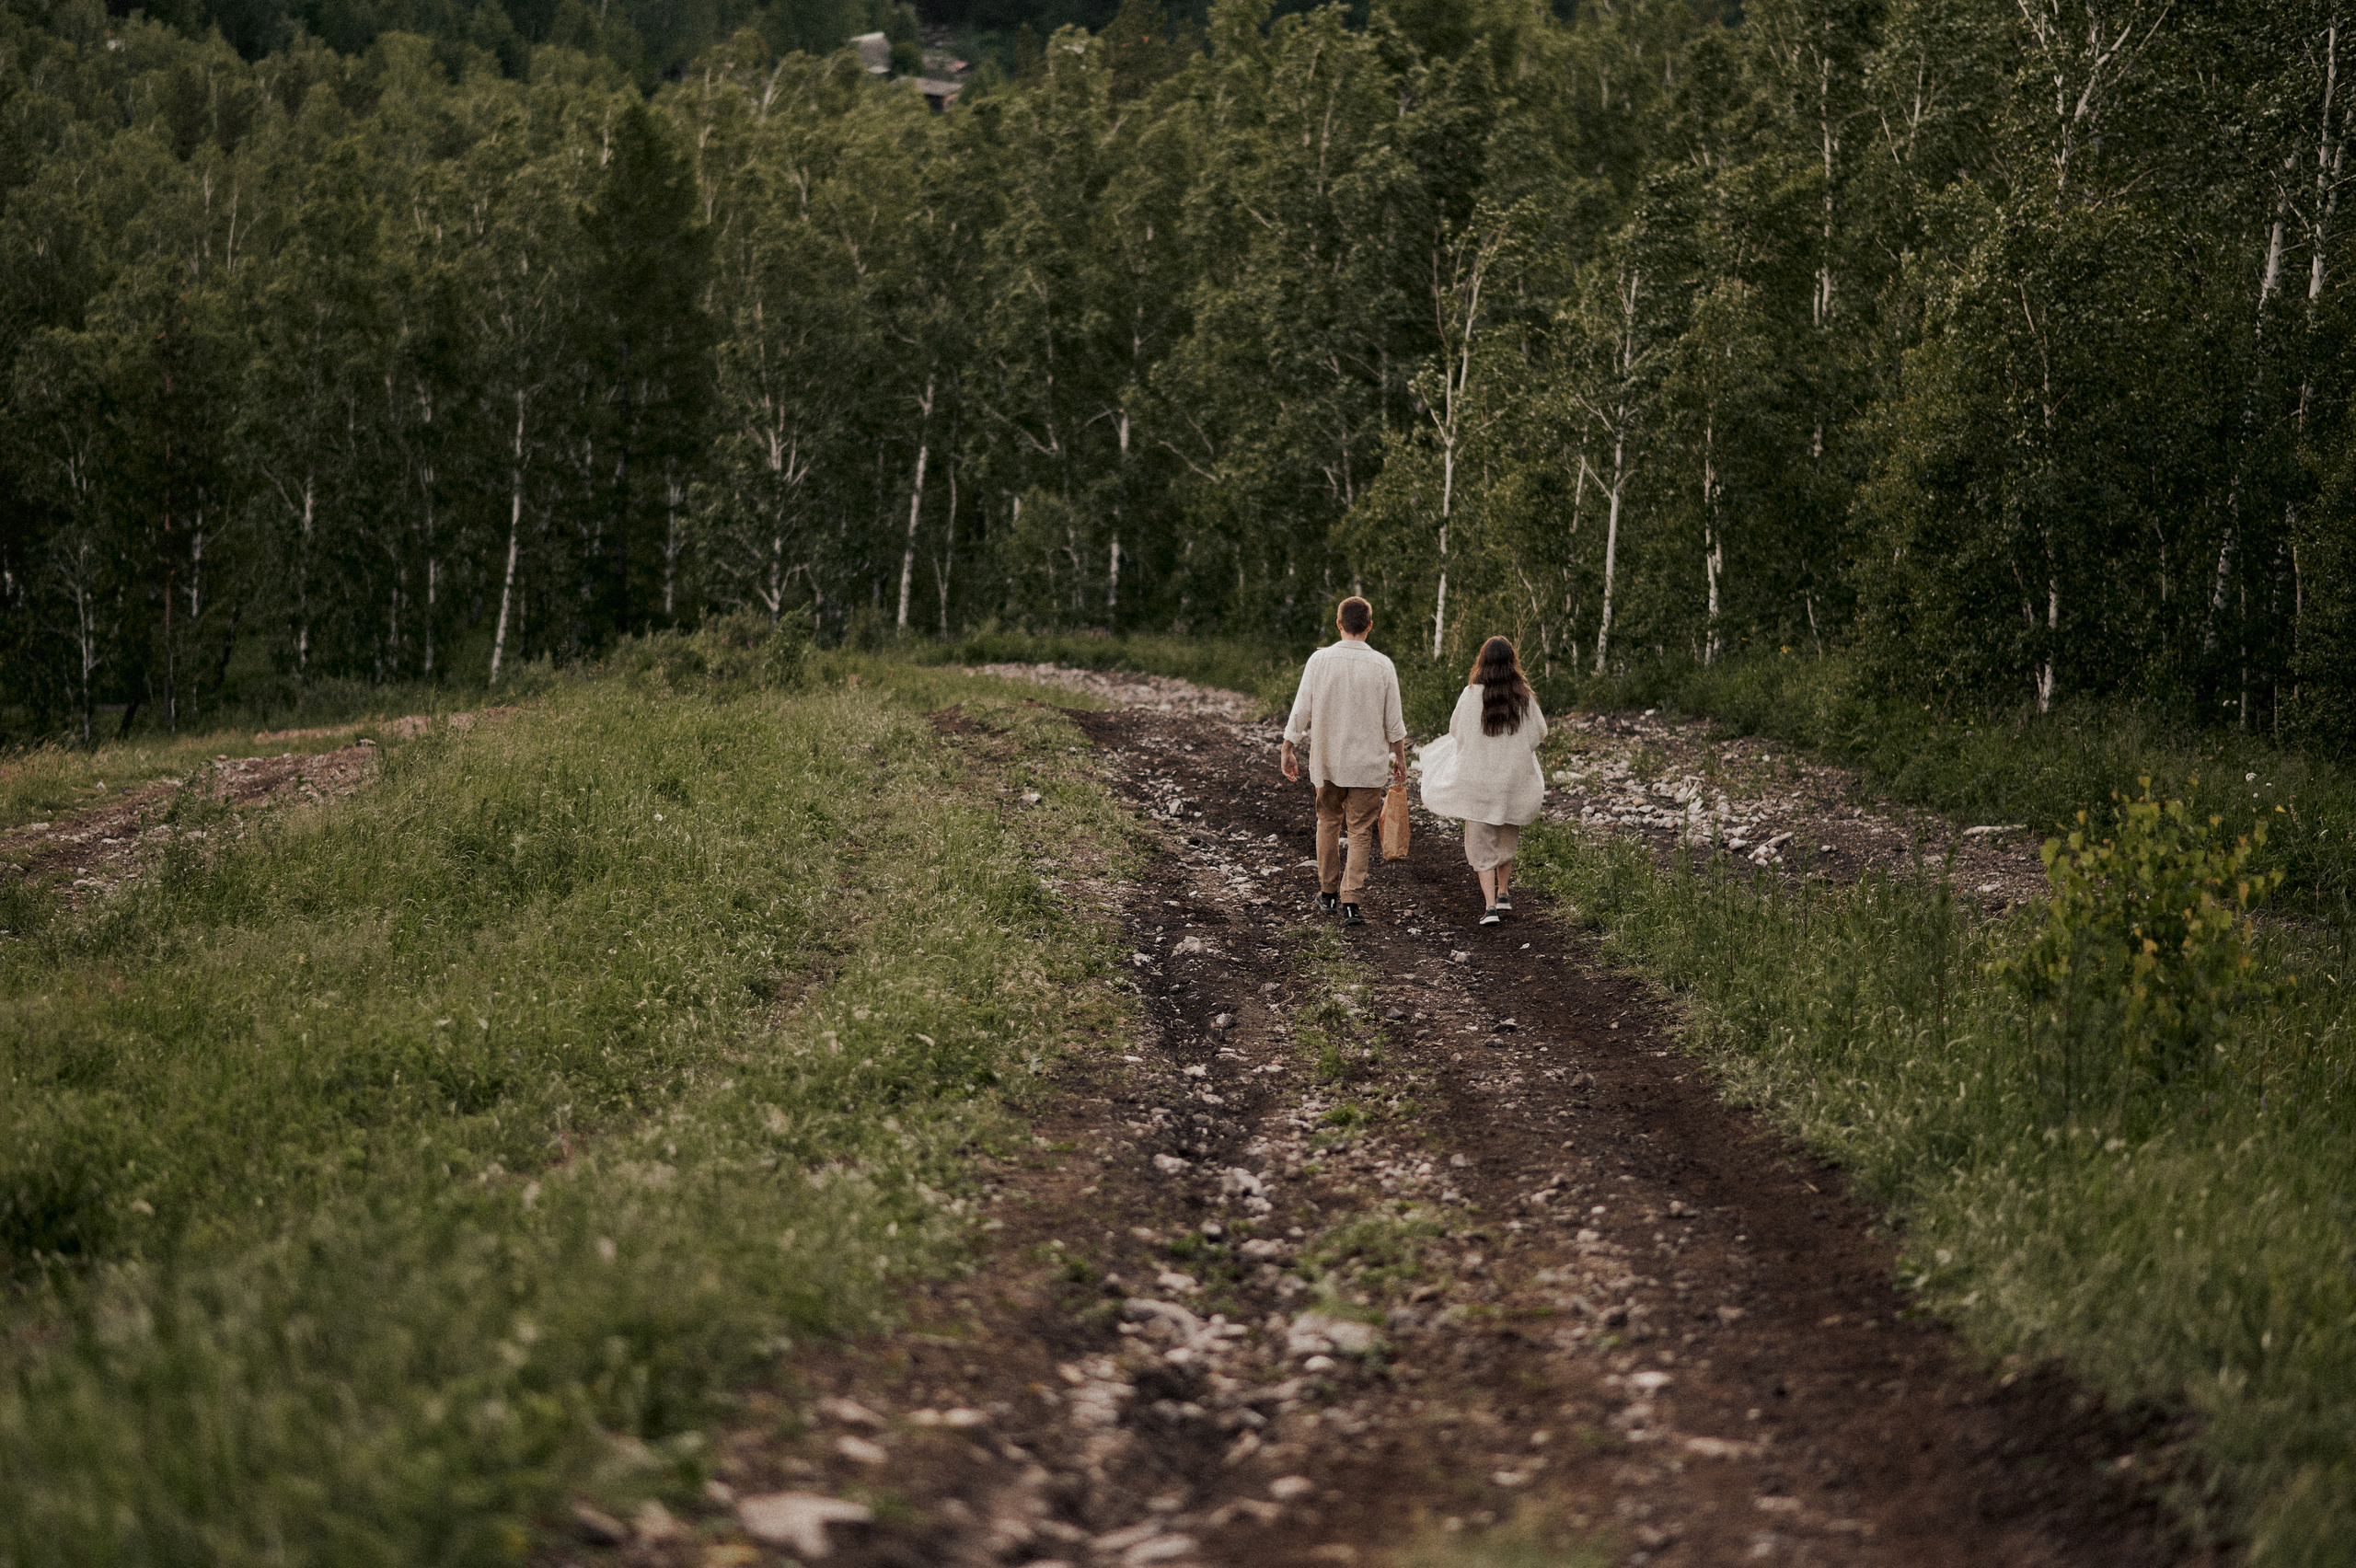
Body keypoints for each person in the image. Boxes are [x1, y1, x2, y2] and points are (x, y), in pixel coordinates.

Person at [1280, 596, 1407, 927]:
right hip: (1368, 766)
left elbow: (1301, 707)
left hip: (1328, 761)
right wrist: (1400, 758)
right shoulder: (1383, 665)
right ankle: (1352, 900)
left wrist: (1288, 746)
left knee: (1327, 820)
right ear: (1369, 625)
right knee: (1362, 831)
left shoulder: (1319, 661)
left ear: (1339, 624)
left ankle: (1328, 892)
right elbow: (1393, 721)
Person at [1416, 636, 1547, 926]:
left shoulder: (1471, 695)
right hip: (1513, 781)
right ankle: (1503, 893)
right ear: (1513, 663)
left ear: (1483, 663)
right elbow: (1539, 734)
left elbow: (1456, 732)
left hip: (1478, 782)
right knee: (1506, 838)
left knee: (1480, 844)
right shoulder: (1524, 696)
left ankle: (1490, 907)